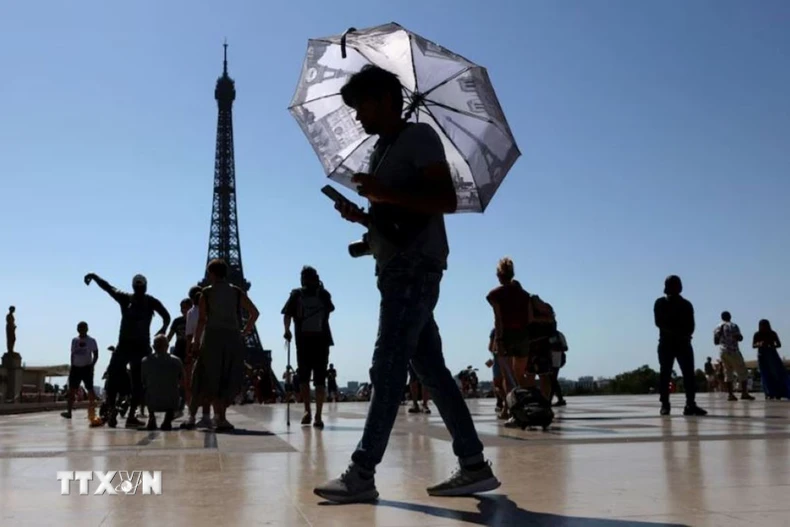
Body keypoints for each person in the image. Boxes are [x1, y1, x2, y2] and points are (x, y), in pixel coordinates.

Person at [314, 65, 499, 503]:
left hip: (415, 266)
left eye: (361, 105)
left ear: (385, 99)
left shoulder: (419, 138)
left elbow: (444, 200)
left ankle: (362, 473)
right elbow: (394, 216)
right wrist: (364, 216)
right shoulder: (382, 150)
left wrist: (382, 194)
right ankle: (473, 465)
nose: (357, 116)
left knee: (387, 365)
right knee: (430, 369)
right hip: (394, 263)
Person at [84, 273, 170, 428]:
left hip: (140, 345)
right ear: (135, 287)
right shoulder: (128, 298)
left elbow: (167, 317)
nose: (139, 289)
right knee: (114, 378)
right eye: (138, 286)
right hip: (126, 344)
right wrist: (94, 277)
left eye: (141, 286)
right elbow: (108, 287)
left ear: (144, 287)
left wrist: (163, 329)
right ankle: (113, 412)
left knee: (138, 382)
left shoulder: (149, 301)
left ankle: (129, 414)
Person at [187, 258, 260, 431]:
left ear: (211, 273)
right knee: (228, 375)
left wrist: (196, 343)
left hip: (212, 338)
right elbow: (254, 313)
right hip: (232, 337)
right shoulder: (236, 291)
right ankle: (222, 417)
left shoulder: (206, 292)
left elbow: (202, 320)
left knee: (211, 376)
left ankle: (214, 416)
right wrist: (244, 332)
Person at [487, 257, 555, 412]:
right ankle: (534, 402)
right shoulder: (524, 295)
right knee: (520, 376)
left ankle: (510, 409)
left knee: (507, 376)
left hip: (506, 337)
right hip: (523, 337)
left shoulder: (495, 294)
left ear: (499, 275)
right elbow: (529, 319)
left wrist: (499, 339)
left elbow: (498, 320)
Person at [282, 266, 335, 429]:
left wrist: (287, 331)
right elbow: (330, 310)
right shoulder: (323, 294)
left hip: (302, 341)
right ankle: (318, 415)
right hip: (322, 341)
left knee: (304, 378)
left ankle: (307, 411)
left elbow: (287, 315)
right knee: (320, 379)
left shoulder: (297, 294)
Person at [653, 275, 706, 416]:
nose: (675, 287)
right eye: (672, 284)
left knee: (689, 374)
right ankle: (665, 404)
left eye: (677, 284)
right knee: (665, 374)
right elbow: (659, 322)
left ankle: (690, 404)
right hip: (667, 343)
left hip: (684, 343)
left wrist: (685, 334)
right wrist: (678, 333)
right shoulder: (660, 303)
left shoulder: (686, 304)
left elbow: (691, 325)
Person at [61, 321, 101, 425]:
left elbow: (96, 354)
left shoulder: (91, 340)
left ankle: (92, 413)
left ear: (87, 329)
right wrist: (72, 366)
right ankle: (69, 412)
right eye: (80, 327)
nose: (81, 329)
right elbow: (72, 354)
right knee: (72, 390)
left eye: (83, 328)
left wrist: (92, 365)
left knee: (90, 390)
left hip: (86, 368)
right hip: (75, 368)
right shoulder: (74, 340)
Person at [141, 334, 184, 430]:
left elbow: (143, 381)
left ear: (153, 347)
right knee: (180, 390)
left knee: (146, 388)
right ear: (167, 346)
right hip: (171, 401)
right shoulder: (176, 361)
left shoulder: (145, 361)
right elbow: (183, 380)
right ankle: (168, 419)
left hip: (152, 401)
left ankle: (151, 416)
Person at [184, 286, 212, 427]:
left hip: (197, 351)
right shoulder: (210, 310)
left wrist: (188, 352)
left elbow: (189, 335)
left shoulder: (191, 312)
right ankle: (207, 415)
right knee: (207, 384)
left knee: (195, 385)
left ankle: (192, 416)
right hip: (210, 348)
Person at [713, 311, 755, 402]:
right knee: (742, 371)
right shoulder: (733, 326)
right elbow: (739, 338)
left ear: (721, 317)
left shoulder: (717, 327)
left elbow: (716, 342)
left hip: (722, 352)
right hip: (733, 351)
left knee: (728, 372)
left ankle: (730, 395)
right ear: (730, 316)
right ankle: (744, 393)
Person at [167, 298, 192, 415]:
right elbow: (170, 336)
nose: (184, 310)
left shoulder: (194, 320)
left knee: (187, 381)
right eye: (182, 308)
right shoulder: (177, 321)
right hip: (178, 351)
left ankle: (186, 405)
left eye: (186, 307)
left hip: (190, 352)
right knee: (178, 381)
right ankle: (181, 405)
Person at [753, 320, 788, 400]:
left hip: (772, 354)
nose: (763, 327)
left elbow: (779, 344)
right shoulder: (757, 334)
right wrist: (759, 344)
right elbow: (754, 345)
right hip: (762, 355)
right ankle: (769, 392)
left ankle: (779, 392)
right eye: (762, 326)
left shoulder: (772, 333)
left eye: (765, 325)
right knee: (765, 374)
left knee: (775, 373)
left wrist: (771, 345)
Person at [486, 329, 506, 418]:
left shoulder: (495, 330)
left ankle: (505, 402)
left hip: (498, 357)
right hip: (511, 357)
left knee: (497, 384)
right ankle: (506, 402)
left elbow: (490, 347)